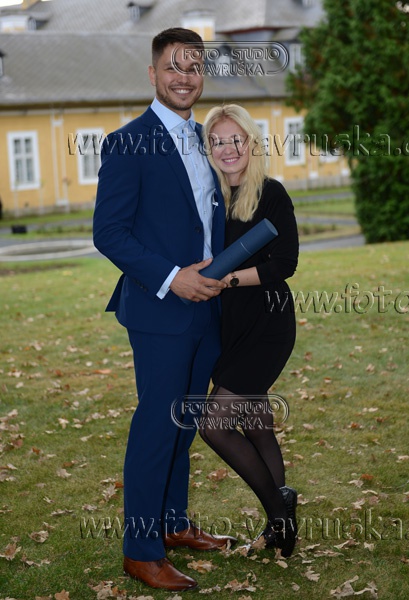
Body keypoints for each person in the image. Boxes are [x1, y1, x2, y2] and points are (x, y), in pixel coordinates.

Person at [93, 28, 236, 592]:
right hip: (160, 311)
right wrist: (174, 278)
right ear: (153, 74)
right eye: (173, 67)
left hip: (209, 308)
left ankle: (174, 524)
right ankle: (141, 550)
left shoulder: (206, 139)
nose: (184, 77)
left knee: (184, 425)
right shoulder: (127, 143)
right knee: (156, 427)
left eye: (193, 67)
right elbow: (109, 233)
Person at [200, 104, 299, 558]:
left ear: (251, 143)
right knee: (257, 425)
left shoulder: (271, 193)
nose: (227, 149)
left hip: (267, 323)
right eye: (217, 141)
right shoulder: (210, 200)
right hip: (231, 327)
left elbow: (284, 264)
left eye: (235, 139)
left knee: (214, 425)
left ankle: (280, 514)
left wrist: (229, 279)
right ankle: (279, 527)